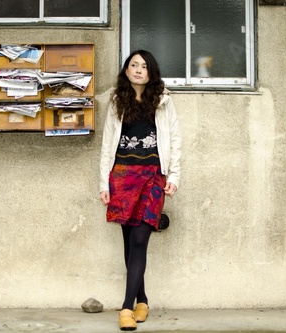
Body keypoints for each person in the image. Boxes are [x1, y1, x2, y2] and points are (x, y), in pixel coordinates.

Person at [99, 50, 181, 331]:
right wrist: (103, 183)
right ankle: (142, 300)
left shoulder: (163, 101)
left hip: (152, 177)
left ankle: (125, 307)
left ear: (151, 72)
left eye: (143, 66)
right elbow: (108, 143)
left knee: (139, 240)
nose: (138, 70)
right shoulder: (116, 101)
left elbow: (175, 139)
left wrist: (174, 176)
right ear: (126, 70)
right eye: (133, 65)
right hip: (121, 176)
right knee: (128, 242)